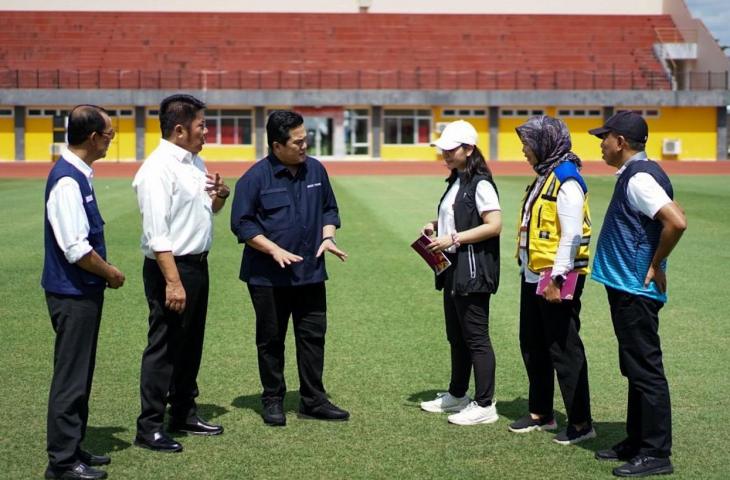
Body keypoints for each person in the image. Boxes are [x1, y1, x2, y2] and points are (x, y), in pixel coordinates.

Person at [230, 110, 349, 427]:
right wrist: (273, 249)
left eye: (305, 139)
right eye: (297, 142)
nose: (304, 146)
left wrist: (328, 236)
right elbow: (241, 224)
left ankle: (314, 400)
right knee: (271, 339)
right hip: (267, 277)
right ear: (276, 145)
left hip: (311, 273)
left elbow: (329, 208)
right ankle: (272, 400)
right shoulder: (254, 179)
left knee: (313, 338)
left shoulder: (316, 171)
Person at [589, 111, 686, 477]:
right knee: (634, 368)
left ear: (621, 142)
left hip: (635, 287)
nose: (601, 144)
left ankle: (656, 452)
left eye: (605, 137)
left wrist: (657, 263)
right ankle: (636, 439)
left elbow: (676, 221)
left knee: (645, 370)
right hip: (627, 285)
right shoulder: (640, 174)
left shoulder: (639, 179)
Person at [132, 94, 229, 453]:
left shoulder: (193, 162)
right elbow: (157, 234)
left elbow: (206, 210)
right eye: (201, 125)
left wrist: (220, 195)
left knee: (190, 345)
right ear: (179, 129)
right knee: (165, 347)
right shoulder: (158, 169)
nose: (206, 131)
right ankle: (150, 426)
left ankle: (184, 412)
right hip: (171, 269)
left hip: (197, 265)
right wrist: (173, 281)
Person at [42, 105, 126, 480]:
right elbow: (75, 248)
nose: (110, 141)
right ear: (93, 138)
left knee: (81, 372)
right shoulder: (67, 181)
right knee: (71, 376)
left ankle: (73, 447)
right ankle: (62, 462)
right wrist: (110, 273)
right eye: (109, 135)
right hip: (72, 293)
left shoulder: (78, 175)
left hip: (81, 293)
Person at [508, 115, 595, 445]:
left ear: (545, 144)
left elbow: (571, 235)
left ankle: (581, 422)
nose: (524, 152)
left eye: (527, 146)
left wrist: (558, 277)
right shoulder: (545, 176)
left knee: (564, 349)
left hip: (557, 277)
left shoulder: (566, 179)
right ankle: (541, 412)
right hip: (535, 274)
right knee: (532, 344)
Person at [418, 120, 502, 426]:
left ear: (468, 149)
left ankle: (484, 404)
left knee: (476, 337)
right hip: (454, 268)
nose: (445, 155)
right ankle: (457, 394)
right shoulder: (457, 180)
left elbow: (494, 225)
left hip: (473, 270)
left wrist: (452, 238)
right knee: (457, 336)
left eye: (451, 150)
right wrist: (435, 226)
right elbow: (459, 219)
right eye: (443, 150)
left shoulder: (481, 183)